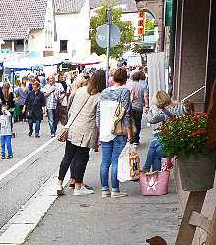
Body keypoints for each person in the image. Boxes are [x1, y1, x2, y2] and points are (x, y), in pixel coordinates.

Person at [56, 69, 104, 196]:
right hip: (86, 131)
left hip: (72, 128)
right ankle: (78, 186)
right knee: (81, 159)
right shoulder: (100, 96)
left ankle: (59, 183)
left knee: (68, 157)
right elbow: (98, 117)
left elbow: (70, 110)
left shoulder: (80, 91)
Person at [97, 67, 135, 197]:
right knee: (115, 161)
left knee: (104, 162)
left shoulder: (104, 92)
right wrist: (130, 134)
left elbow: (98, 114)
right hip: (118, 132)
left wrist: (99, 130)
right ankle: (114, 190)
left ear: (113, 78)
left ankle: (104, 190)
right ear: (125, 78)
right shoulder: (124, 92)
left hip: (104, 131)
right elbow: (126, 114)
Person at [143, 91, 187, 173]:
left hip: (176, 142)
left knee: (154, 148)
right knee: (154, 145)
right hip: (179, 138)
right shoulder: (180, 106)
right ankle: (149, 171)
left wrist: (148, 112)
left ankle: (148, 171)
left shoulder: (164, 112)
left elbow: (151, 120)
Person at [128, 69, 149, 145]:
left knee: (129, 122)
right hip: (139, 107)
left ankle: (130, 137)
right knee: (137, 123)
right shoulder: (143, 86)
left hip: (130, 107)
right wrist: (147, 106)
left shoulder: (129, 85)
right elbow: (145, 96)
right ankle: (136, 139)